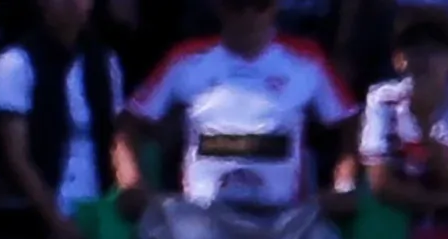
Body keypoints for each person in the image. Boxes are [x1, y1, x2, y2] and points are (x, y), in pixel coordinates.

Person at [123, 0, 355, 209]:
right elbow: (130, 122)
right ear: (219, 7)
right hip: (203, 221)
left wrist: (344, 185)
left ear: (276, 7)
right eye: (238, 5)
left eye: (260, 5)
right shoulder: (184, 59)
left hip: (284, 223)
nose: (249, 16)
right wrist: (132, 182)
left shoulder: (308, 59)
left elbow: (351, 123)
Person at [0, 0, 126, 239]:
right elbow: (17, 156)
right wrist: (56, 221)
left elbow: (118, 138)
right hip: (36, 215)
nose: (72, 4)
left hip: (98, 206)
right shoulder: (15, 62)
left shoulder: (105, 62)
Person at [358, 9, 448, 221]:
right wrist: (442, 201)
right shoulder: (381, 98)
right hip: (404, 200)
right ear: (398, 60)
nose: (425, 60)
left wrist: (431, 148)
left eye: (436, 51)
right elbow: (380, 182)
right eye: (415, 49)